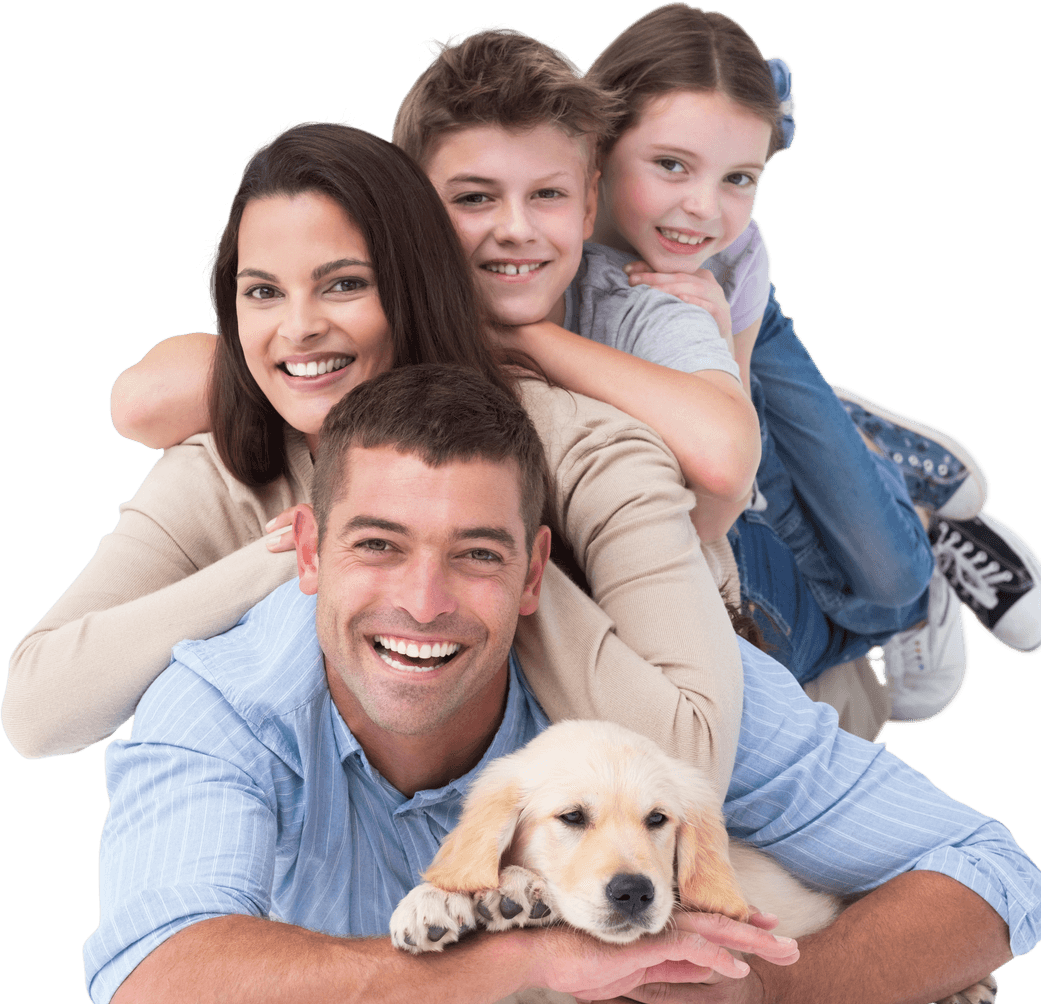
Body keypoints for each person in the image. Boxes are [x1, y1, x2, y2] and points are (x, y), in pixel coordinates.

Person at [87, 365, 1040, 1004]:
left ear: (535, 571)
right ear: (306, 551)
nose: (423, 601)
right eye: (377, 546)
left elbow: (994, 876)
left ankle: (889, 547)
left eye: (476, 554)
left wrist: (769, 1003)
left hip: (752, 607)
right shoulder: (221, 703)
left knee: (849, 673)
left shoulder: (657, 706)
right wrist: (518, 952)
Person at [2, 121, 744, 794]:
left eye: (344, 285)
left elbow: (692, 762)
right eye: (262, 292)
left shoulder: (586, 451)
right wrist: (294, 552)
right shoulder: (227, 468)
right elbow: (37, 713)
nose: (297, 328)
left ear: (414, 287)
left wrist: (483, 554)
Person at [584, 2, 1041, 662]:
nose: (704, 209)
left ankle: (870, 450)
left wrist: (716, 336)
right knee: (890, 590)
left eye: (738, 178)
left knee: (893, 571)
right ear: (599, 140)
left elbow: (732, 441)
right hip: (676, 360)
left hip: (739, 328)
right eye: (671, 166)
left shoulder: (733, 254)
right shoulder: (552, 230)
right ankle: (891, 497)